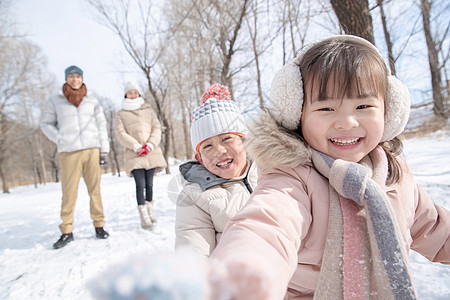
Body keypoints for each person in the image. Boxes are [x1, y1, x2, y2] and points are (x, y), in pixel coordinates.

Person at [206, 35, 450, 299]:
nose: (346, 122)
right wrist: (241, 278)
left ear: (389, 111)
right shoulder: (293, 177)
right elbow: (266, 228)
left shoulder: (395, 177)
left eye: (363, 105)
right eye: (326, 108)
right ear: (298, 115)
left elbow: (435, 229)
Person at [175, 83, 257, 256]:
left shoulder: (272, 171)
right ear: (200, 159)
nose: (219, 151)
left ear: (244, 141)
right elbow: (193, 254)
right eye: (208, 146)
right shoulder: (194, 197)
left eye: (227, 138)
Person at [40, 65, 110, 250]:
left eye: (77, 76)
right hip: (69, 151)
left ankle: (99, 225)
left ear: (82, 79)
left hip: (91, 149)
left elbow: (101, 124)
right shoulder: (55, 100)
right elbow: (45, 124)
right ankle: (67, 230)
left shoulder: (92, 100)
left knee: (94, 190)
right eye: (71, 76)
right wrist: (60, 138)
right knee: (69, 192)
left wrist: (104, 150)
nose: (74, 79)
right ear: (66, 79)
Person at [114, 82, 167, 230]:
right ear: (126, 95)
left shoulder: (148, 110)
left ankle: (150, 212)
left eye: (135, 92)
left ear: (138, 93)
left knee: (150, 184)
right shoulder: (121, 114)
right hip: (134, 154)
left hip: (151, 151)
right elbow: (120, 133)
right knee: (140, 184)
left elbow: (156, 127)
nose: (132, 94)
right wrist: (135, 146)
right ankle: (143, 215)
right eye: (129, 92)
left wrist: (150, 144)